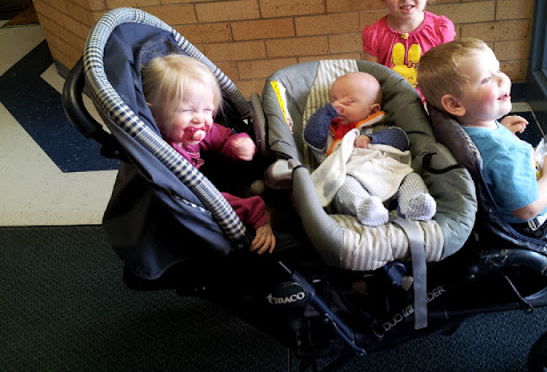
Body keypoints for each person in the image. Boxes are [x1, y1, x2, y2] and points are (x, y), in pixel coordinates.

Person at [417, 38, 547, 272]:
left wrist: (500, 128)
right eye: (487, 79)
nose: (502, 79)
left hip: (499, 219)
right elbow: (527, 209)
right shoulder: (507, 153)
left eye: (498, 70)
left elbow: (486, 154)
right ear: (454, 104)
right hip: (540, 230)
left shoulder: (456, 128)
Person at [141, 53, 276, 255]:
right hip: (187, 203)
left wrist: (236, 144)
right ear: (153, 114)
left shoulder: (185, 132)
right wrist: (257, 214)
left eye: (207, 111)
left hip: (204, 180)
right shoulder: (167, 155)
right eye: (187, 110)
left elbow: (219, 136)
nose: (200, 120)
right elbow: (204, 199)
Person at [303, 71, 436, 227]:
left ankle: (413, 204)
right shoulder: (330, 135)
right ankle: (365, 207)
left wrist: (373, 138)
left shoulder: (378, 128)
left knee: (410, 176)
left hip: (388, 176)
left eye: (348, 102)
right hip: (352, 178)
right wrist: (327, 111)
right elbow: (311, 136)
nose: (338, 106)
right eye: (333, 101)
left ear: (372, 110)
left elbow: (401, 140)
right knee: (342, 183)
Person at [361, 0, 456, 91]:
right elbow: (371, 81)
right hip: (392, 100)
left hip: (431, 99)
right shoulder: (375, 35)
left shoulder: (440, 29)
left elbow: (448, 75)